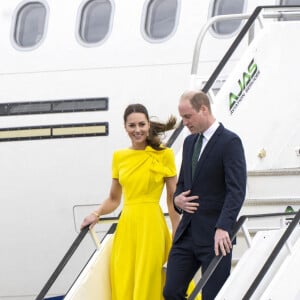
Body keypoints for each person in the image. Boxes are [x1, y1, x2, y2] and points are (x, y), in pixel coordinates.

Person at [80, 103, 180, 300]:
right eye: (132, 125)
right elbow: (114, 199)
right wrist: (96, 214)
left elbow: (172, 198)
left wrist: (177, 230)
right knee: (125, 277)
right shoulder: (119, 157)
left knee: (149, 277)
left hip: (152, 226)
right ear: (125, 127)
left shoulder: (164, 154)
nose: (137, 130)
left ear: (148, 124)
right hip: (127, 227)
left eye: (141, 124)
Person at [163, 91, 247, 300]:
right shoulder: (190, 143)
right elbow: (182, 184)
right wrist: (177, 200)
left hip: (215, 236)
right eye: (182, 117)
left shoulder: (230, 142)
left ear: (204, 109)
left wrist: (223, 227)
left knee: (213, 296)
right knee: (171, 292)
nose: (184, 122)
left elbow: (236, 190)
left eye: (188, 116)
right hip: (187, 234)